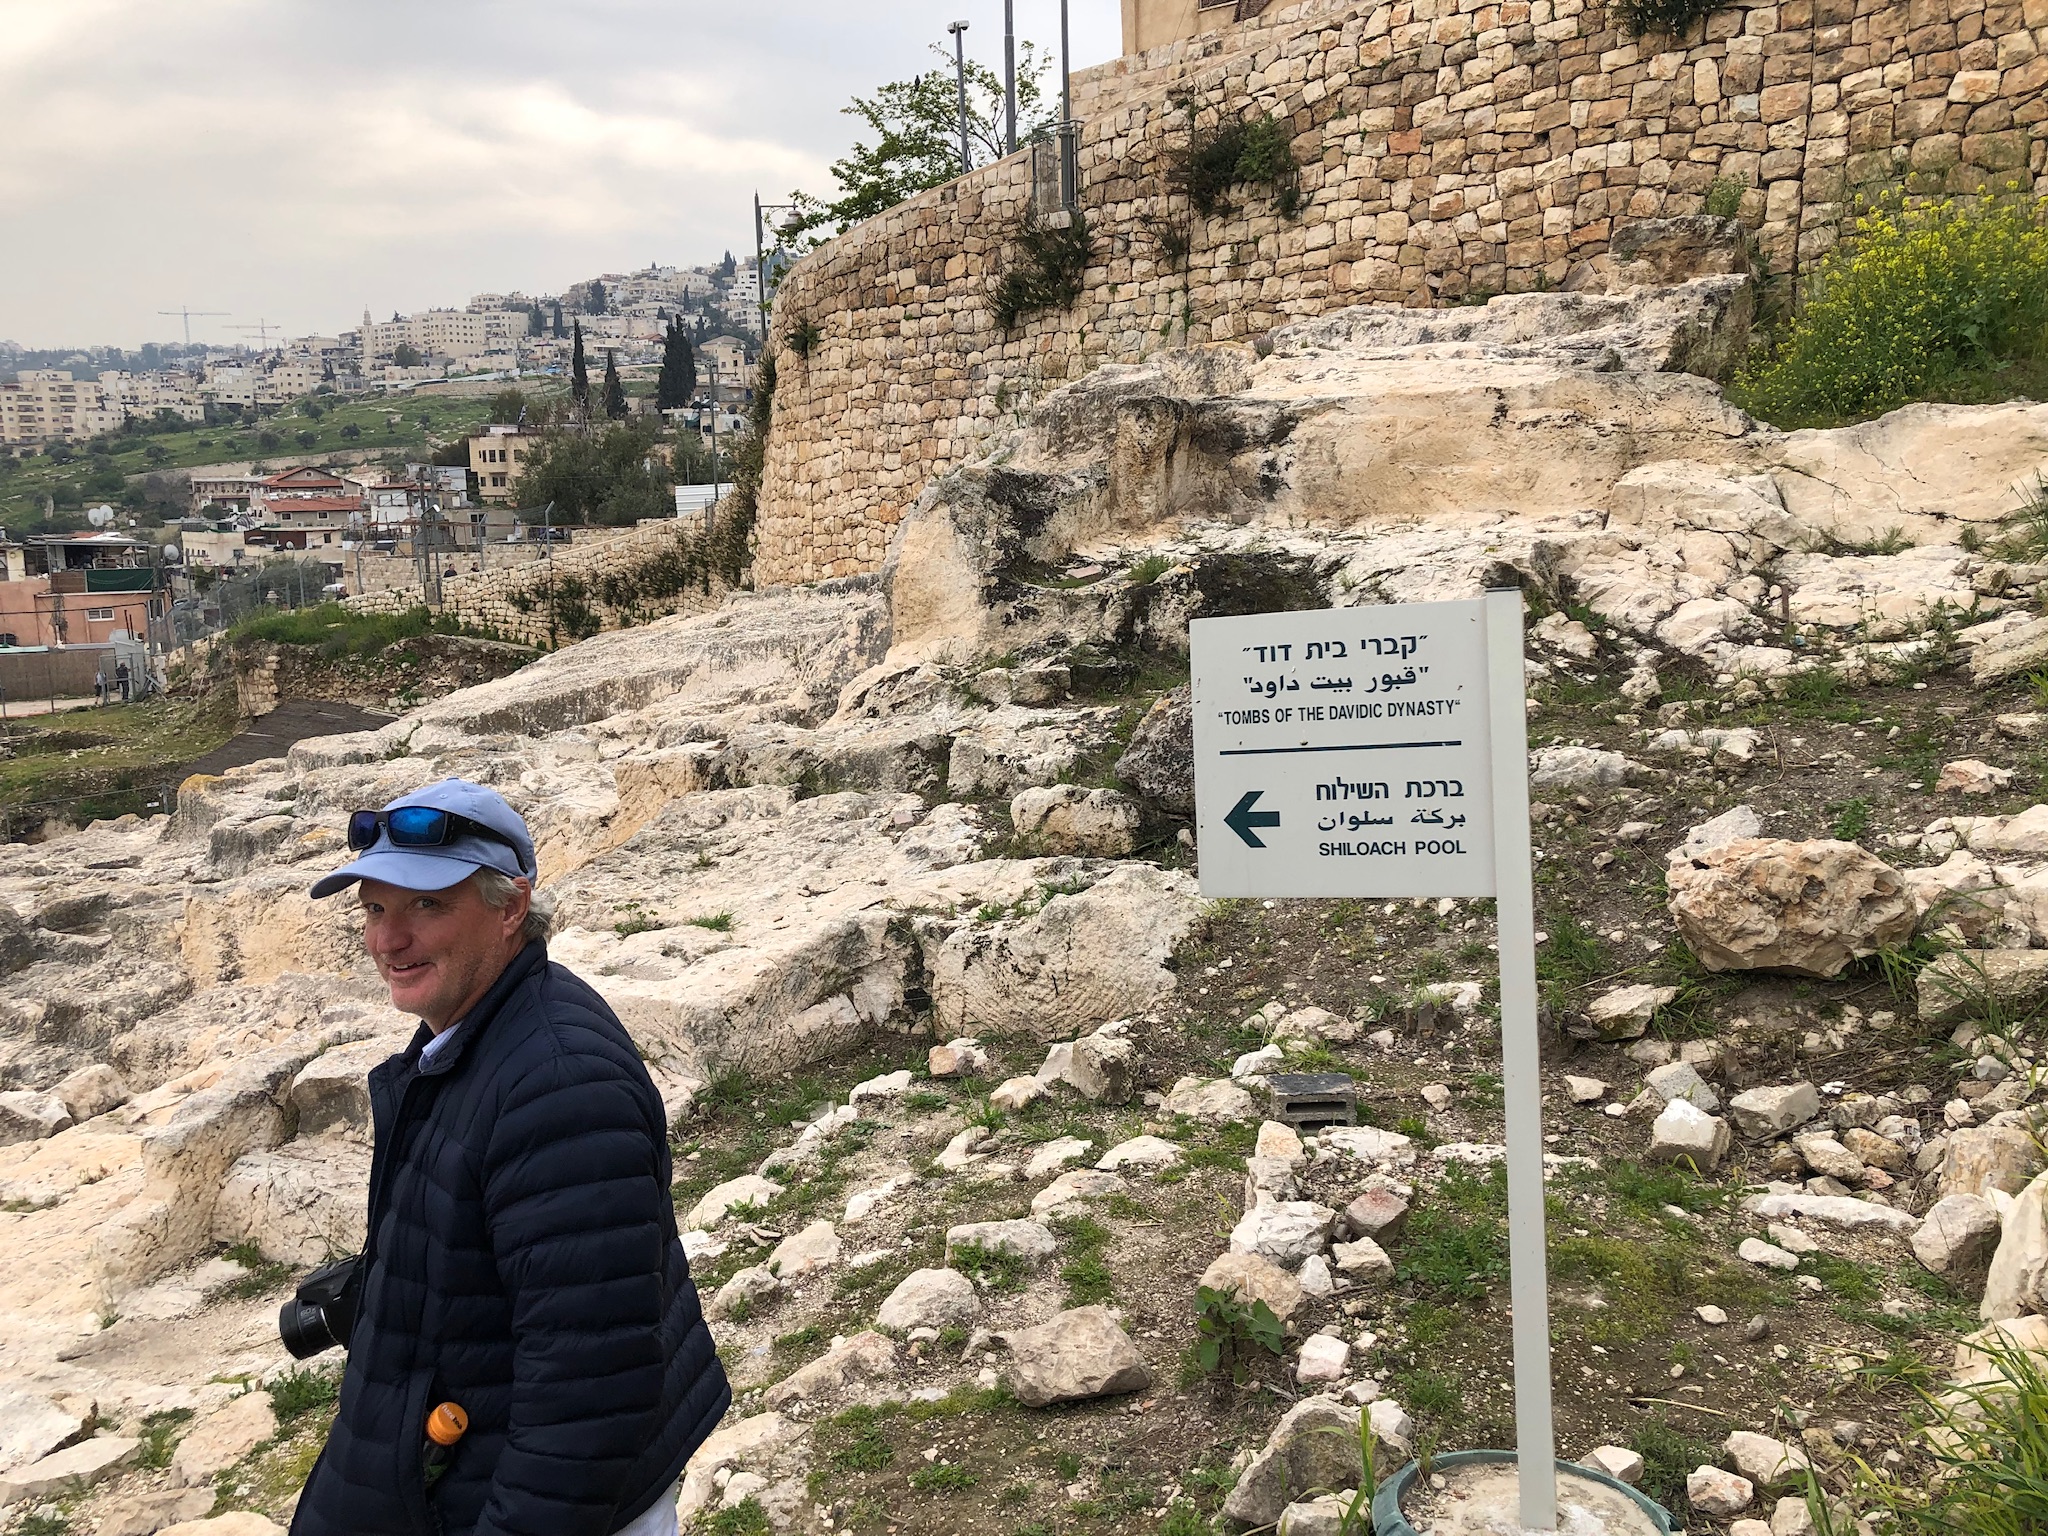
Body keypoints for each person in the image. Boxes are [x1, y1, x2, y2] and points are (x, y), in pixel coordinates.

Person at [293, 780, 730, 1536]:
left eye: (426, 905)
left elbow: (589, 1397)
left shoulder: (559, 1087)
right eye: (375, 909)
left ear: (510, 908)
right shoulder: (469, 1036)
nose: (388, 941)